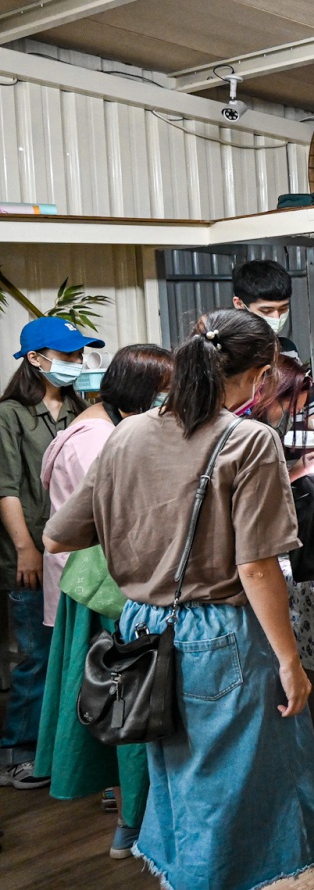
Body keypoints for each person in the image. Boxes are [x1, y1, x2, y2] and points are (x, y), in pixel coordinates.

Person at [42, 310, 314, 890]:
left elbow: (60, 535)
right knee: (226, 794)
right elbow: (255, 567)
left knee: (175, 784)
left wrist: (144, 526)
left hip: (142, 629)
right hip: (219, 633)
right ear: (258, 377)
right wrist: (291, 662)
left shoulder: (126, 432)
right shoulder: (248, 440)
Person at [36, 343, 171, 860]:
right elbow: (94, 520)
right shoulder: (104, 439)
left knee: (113, 699)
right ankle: (133, 823)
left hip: (92, 580)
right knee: (130, 702)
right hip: (107, 586)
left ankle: (126, 809)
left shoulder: (95, 424)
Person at [0, 316, 100, 789]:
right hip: (30, 556)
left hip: (70, 555)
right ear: (35, 360)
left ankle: (58, 749)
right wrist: (25, 549)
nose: (75, 363)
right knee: (36, 657)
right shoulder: (11, 415)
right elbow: (7, 488)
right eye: (66, 355)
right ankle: (16, 751)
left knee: (68, 655)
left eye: (79, 355)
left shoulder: (81, 409)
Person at [232, 258, 314, 415]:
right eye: (267, 311)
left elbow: (312, 409)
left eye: (283, 309)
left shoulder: (288, 350)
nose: (276, 318)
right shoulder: (228, 354)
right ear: (239, 304)